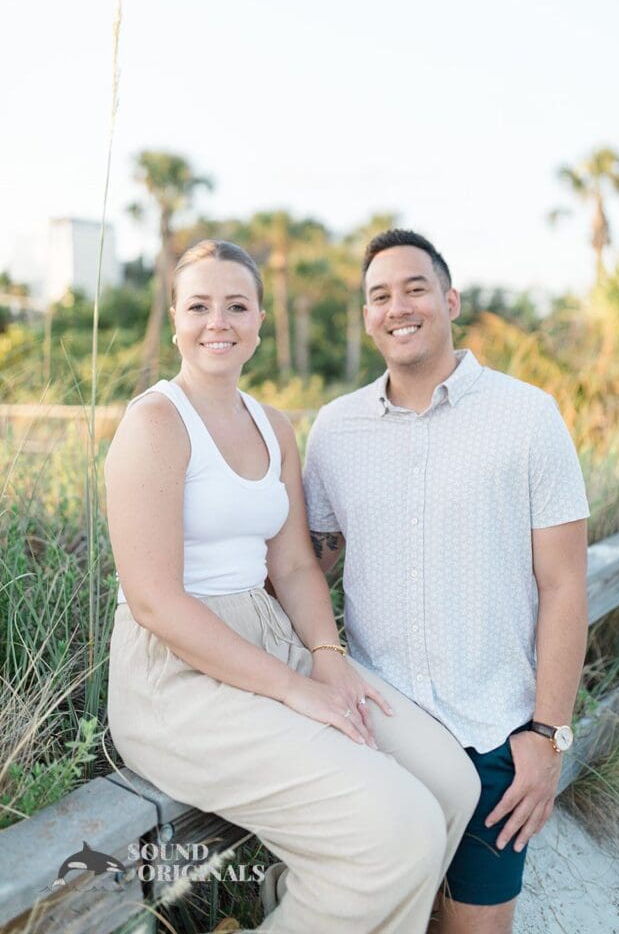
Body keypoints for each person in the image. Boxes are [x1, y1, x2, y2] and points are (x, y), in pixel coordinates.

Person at [105, 239, 480, 934]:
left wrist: (326, 659)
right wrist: (295, 690)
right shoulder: (155, 423)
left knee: (451, 786)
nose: (218, 321)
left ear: (258, 320)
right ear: (176, 317)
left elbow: (296, 567)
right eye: (199, 306)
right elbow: (156, 602)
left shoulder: (274, 426)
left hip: (275, 641)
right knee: (398, 831)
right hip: (178, 678)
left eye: (236, 306)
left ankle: (310, 895)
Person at [303, 229, 589, 934]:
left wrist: (546, 737)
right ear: (367, 316)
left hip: (495, 731)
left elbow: (564, 585)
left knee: (475, 928)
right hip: (376, 732)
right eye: (378, 295)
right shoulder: (335, 430)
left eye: (413, 288)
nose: (396, 306)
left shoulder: (526, 416)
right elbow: (308, 564)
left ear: (449, 300)